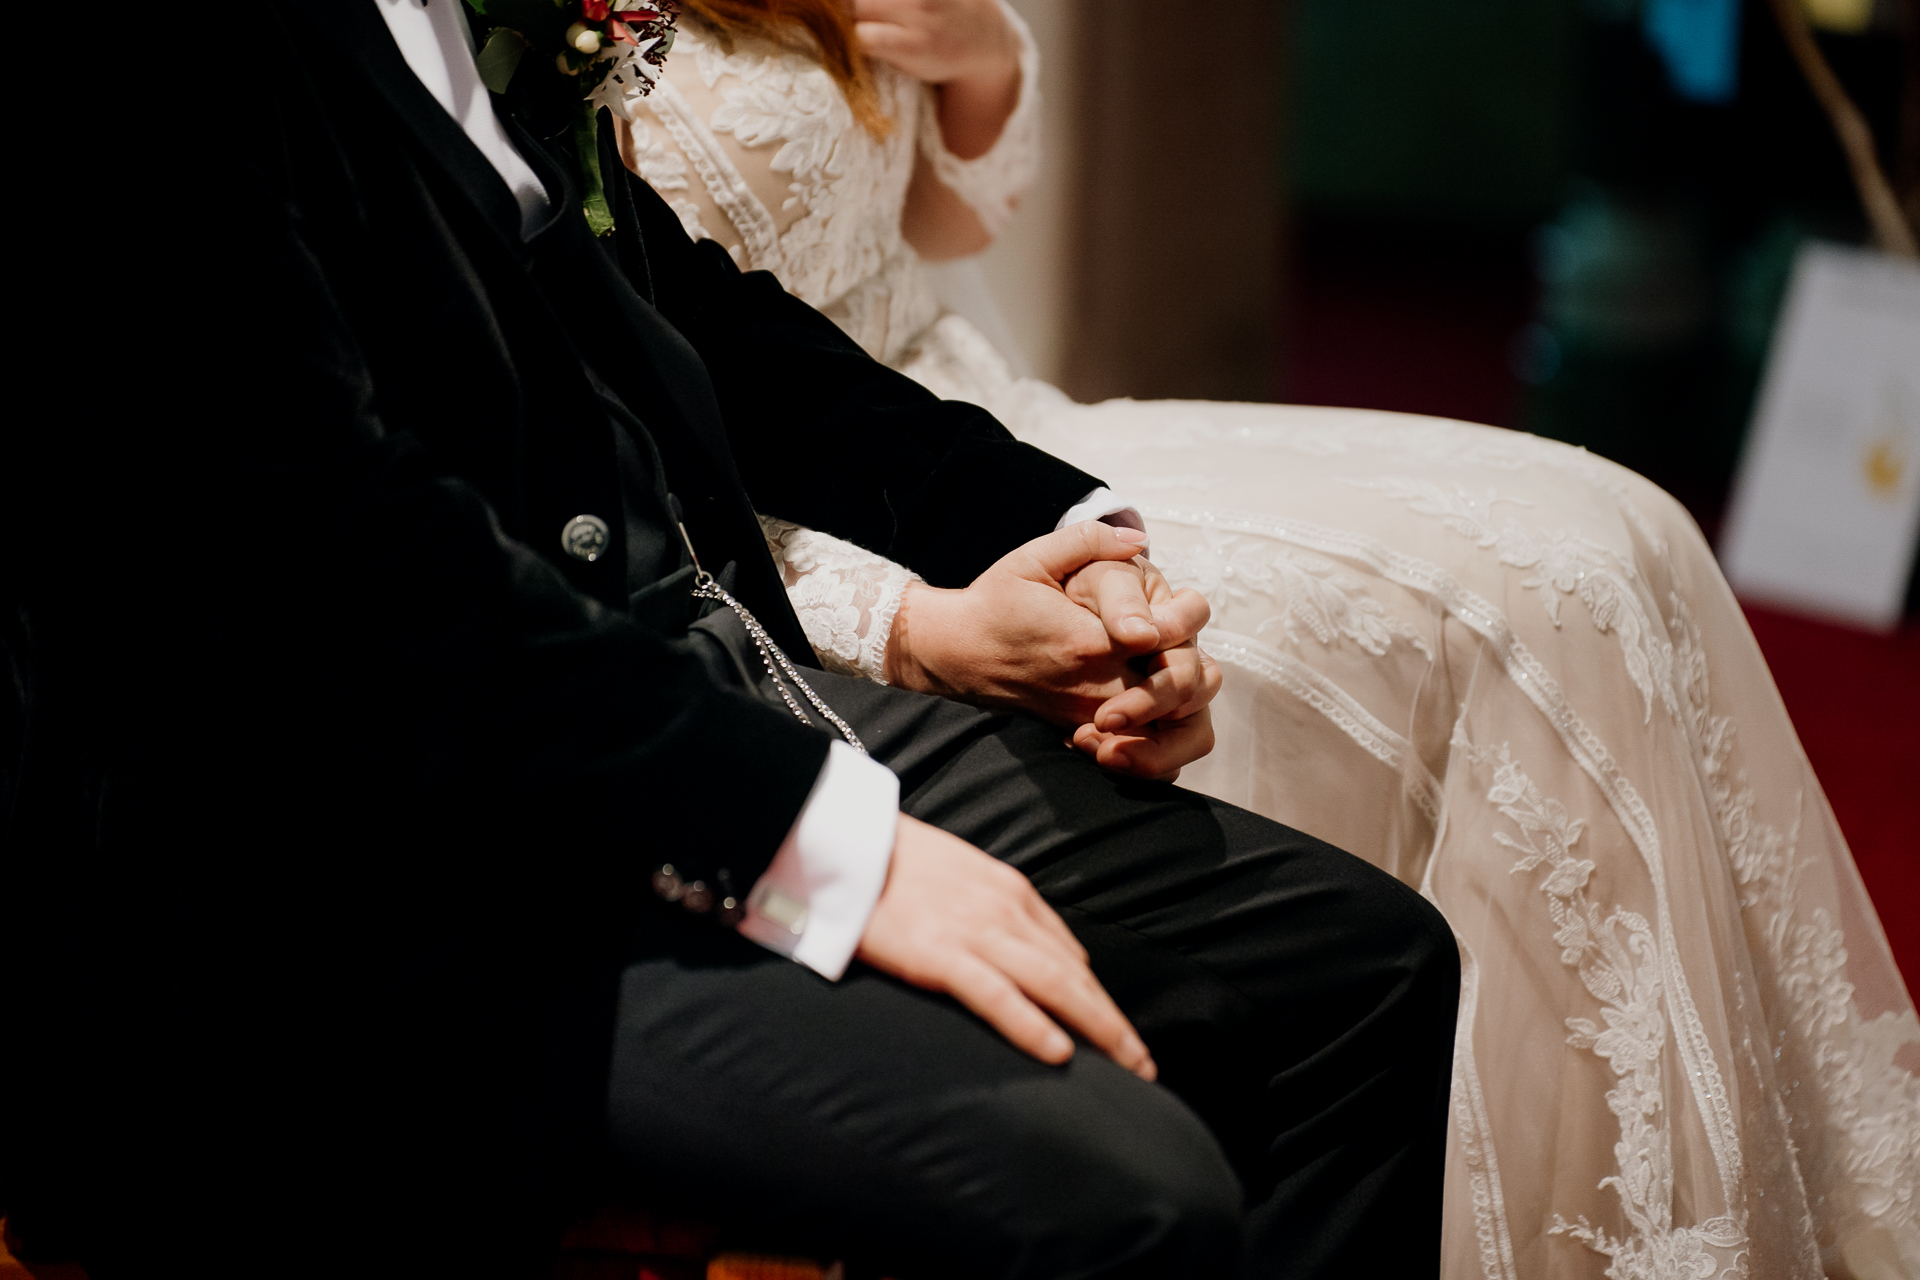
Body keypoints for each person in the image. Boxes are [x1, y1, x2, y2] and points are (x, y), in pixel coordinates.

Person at [0, 2, 1460, 1278]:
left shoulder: (472, 20)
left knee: (1361, 975)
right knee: (1135, 1193)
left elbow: (672, 309)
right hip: (352, 853)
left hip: (651, 682)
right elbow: (331, 564)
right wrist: (828, 839)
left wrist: (1060, 532)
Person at [612, 1, 1920, 1276]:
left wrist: (981, 61)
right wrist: (918, 624)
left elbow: (918, 246)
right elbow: (637, 454)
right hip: (790, 552)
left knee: (1614, 541)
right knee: (1513, 630)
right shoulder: (550, 53)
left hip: (947, 426)